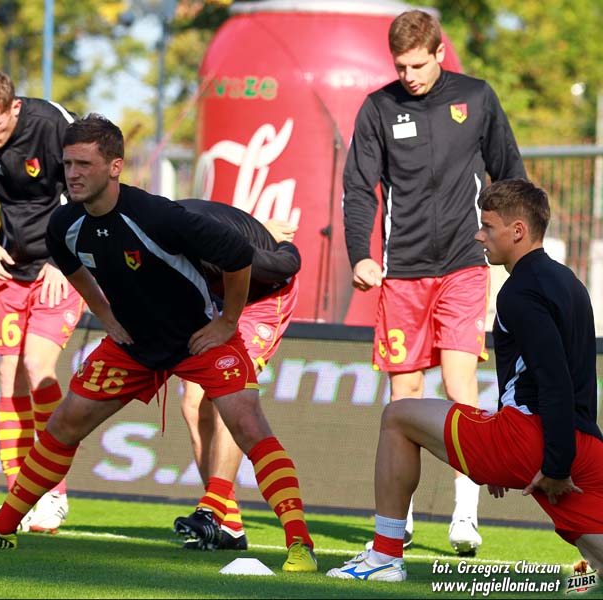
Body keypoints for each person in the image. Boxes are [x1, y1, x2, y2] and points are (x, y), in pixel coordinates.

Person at [0, 114, 318, 573]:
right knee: (63, 424)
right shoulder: (64, 224)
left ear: (115, 167)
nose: (72, 174)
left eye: (84, 164)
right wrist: (105, 316)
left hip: (200, 335)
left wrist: (228, 322)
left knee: (248, 425)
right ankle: (0, 531)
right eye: (68, 164)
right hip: (136, 343)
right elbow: (71, 266)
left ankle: (299, 544)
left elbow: (239, 257)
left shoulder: (160, 217)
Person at [328, 178, 603, 581]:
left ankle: (384, 557)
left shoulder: (518, 292)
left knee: (397, 417)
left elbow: (554, 380)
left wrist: (554, 465)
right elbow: (573, 376)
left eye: (488, 226)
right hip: (586, 443)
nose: (479, 235)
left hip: (534, 439)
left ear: (518, 231)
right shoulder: (570, 283)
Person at [341, 9, 527, 555]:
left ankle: (465, 515)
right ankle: (396, 524)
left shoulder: (477, 96)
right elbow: (359, 188)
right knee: (403, 400)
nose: (409, 76)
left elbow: (510, 173)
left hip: (465, 266)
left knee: (459, 386)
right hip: (400, 274)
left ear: (440, 53)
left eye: (418, 65)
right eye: (400, 66)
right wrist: (360, 255)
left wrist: (517, 247)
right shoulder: (378, 107)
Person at [0, 70, 86, 532]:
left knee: (37, 366)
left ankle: (54, 493)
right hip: (11, 270)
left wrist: (63, 260)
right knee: (10, 381)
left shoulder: (53, 124)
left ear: (14, 108)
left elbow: (85, 194)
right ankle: (19, 498)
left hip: (62, 269)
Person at [172, 199, 300, 551]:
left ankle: (212, 510)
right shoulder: (140, 235)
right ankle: (227, 525)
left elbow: (286, 263)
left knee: (228, 398)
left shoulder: (204, 238)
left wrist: (270, 241)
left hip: (265, 292)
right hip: (216, 298)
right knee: (192, 404)